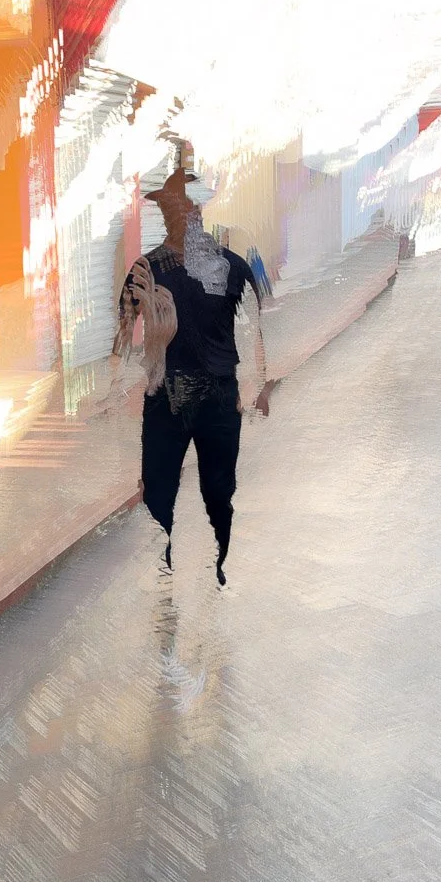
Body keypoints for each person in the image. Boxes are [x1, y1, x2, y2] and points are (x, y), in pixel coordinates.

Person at [112, 168, 271, 585]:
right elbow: (123, 340)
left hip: (219, 397)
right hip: (165, 396)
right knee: (158, 500)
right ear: (164, 213)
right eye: (170, 207)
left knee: (219, 495)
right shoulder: (146, 270)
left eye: (185, 205)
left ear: (199, 209)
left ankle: (219, 568)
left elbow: (252, 327)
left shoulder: (231, 267)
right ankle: (163, 585)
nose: (180, 215)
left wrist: (257, 386)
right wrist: (135, 377)